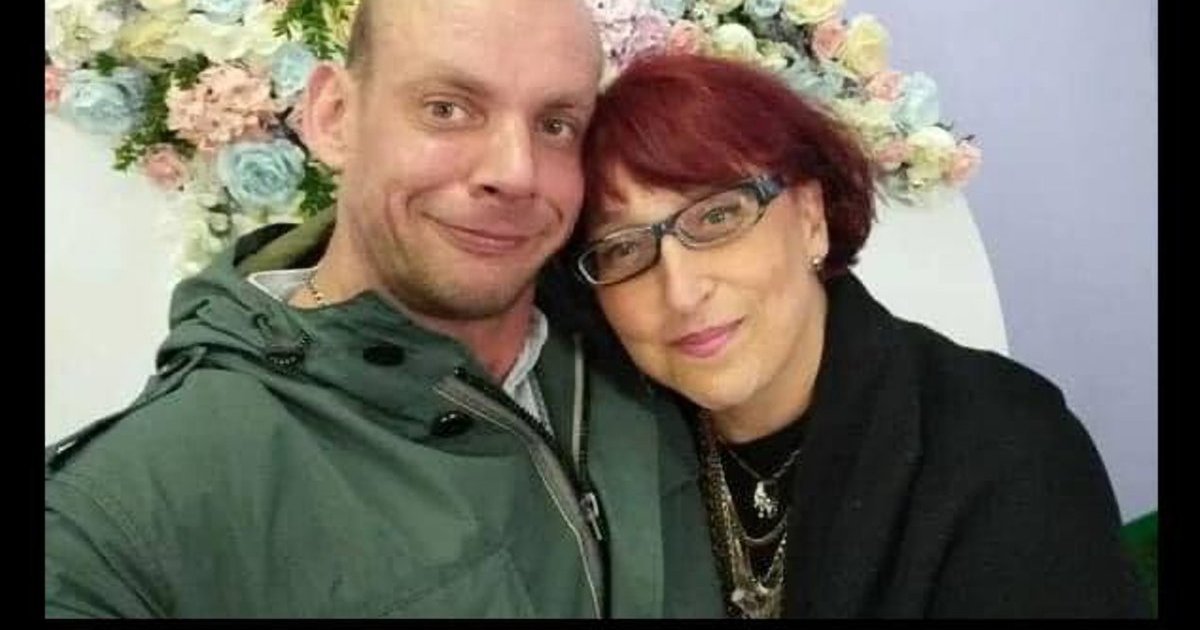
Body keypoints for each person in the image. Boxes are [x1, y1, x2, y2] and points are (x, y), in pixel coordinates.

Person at [43, 1, 724, 618]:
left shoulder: (644, 342)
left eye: (555, 124)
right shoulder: (125, 514)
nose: (515, 172)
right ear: (334, 117)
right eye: (447, 109)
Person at [569, 53, 1152, 619]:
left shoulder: (1006, 446)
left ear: (810, 216)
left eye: (718, 216)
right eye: (624, 248)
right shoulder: (618, 455)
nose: (680, 291)